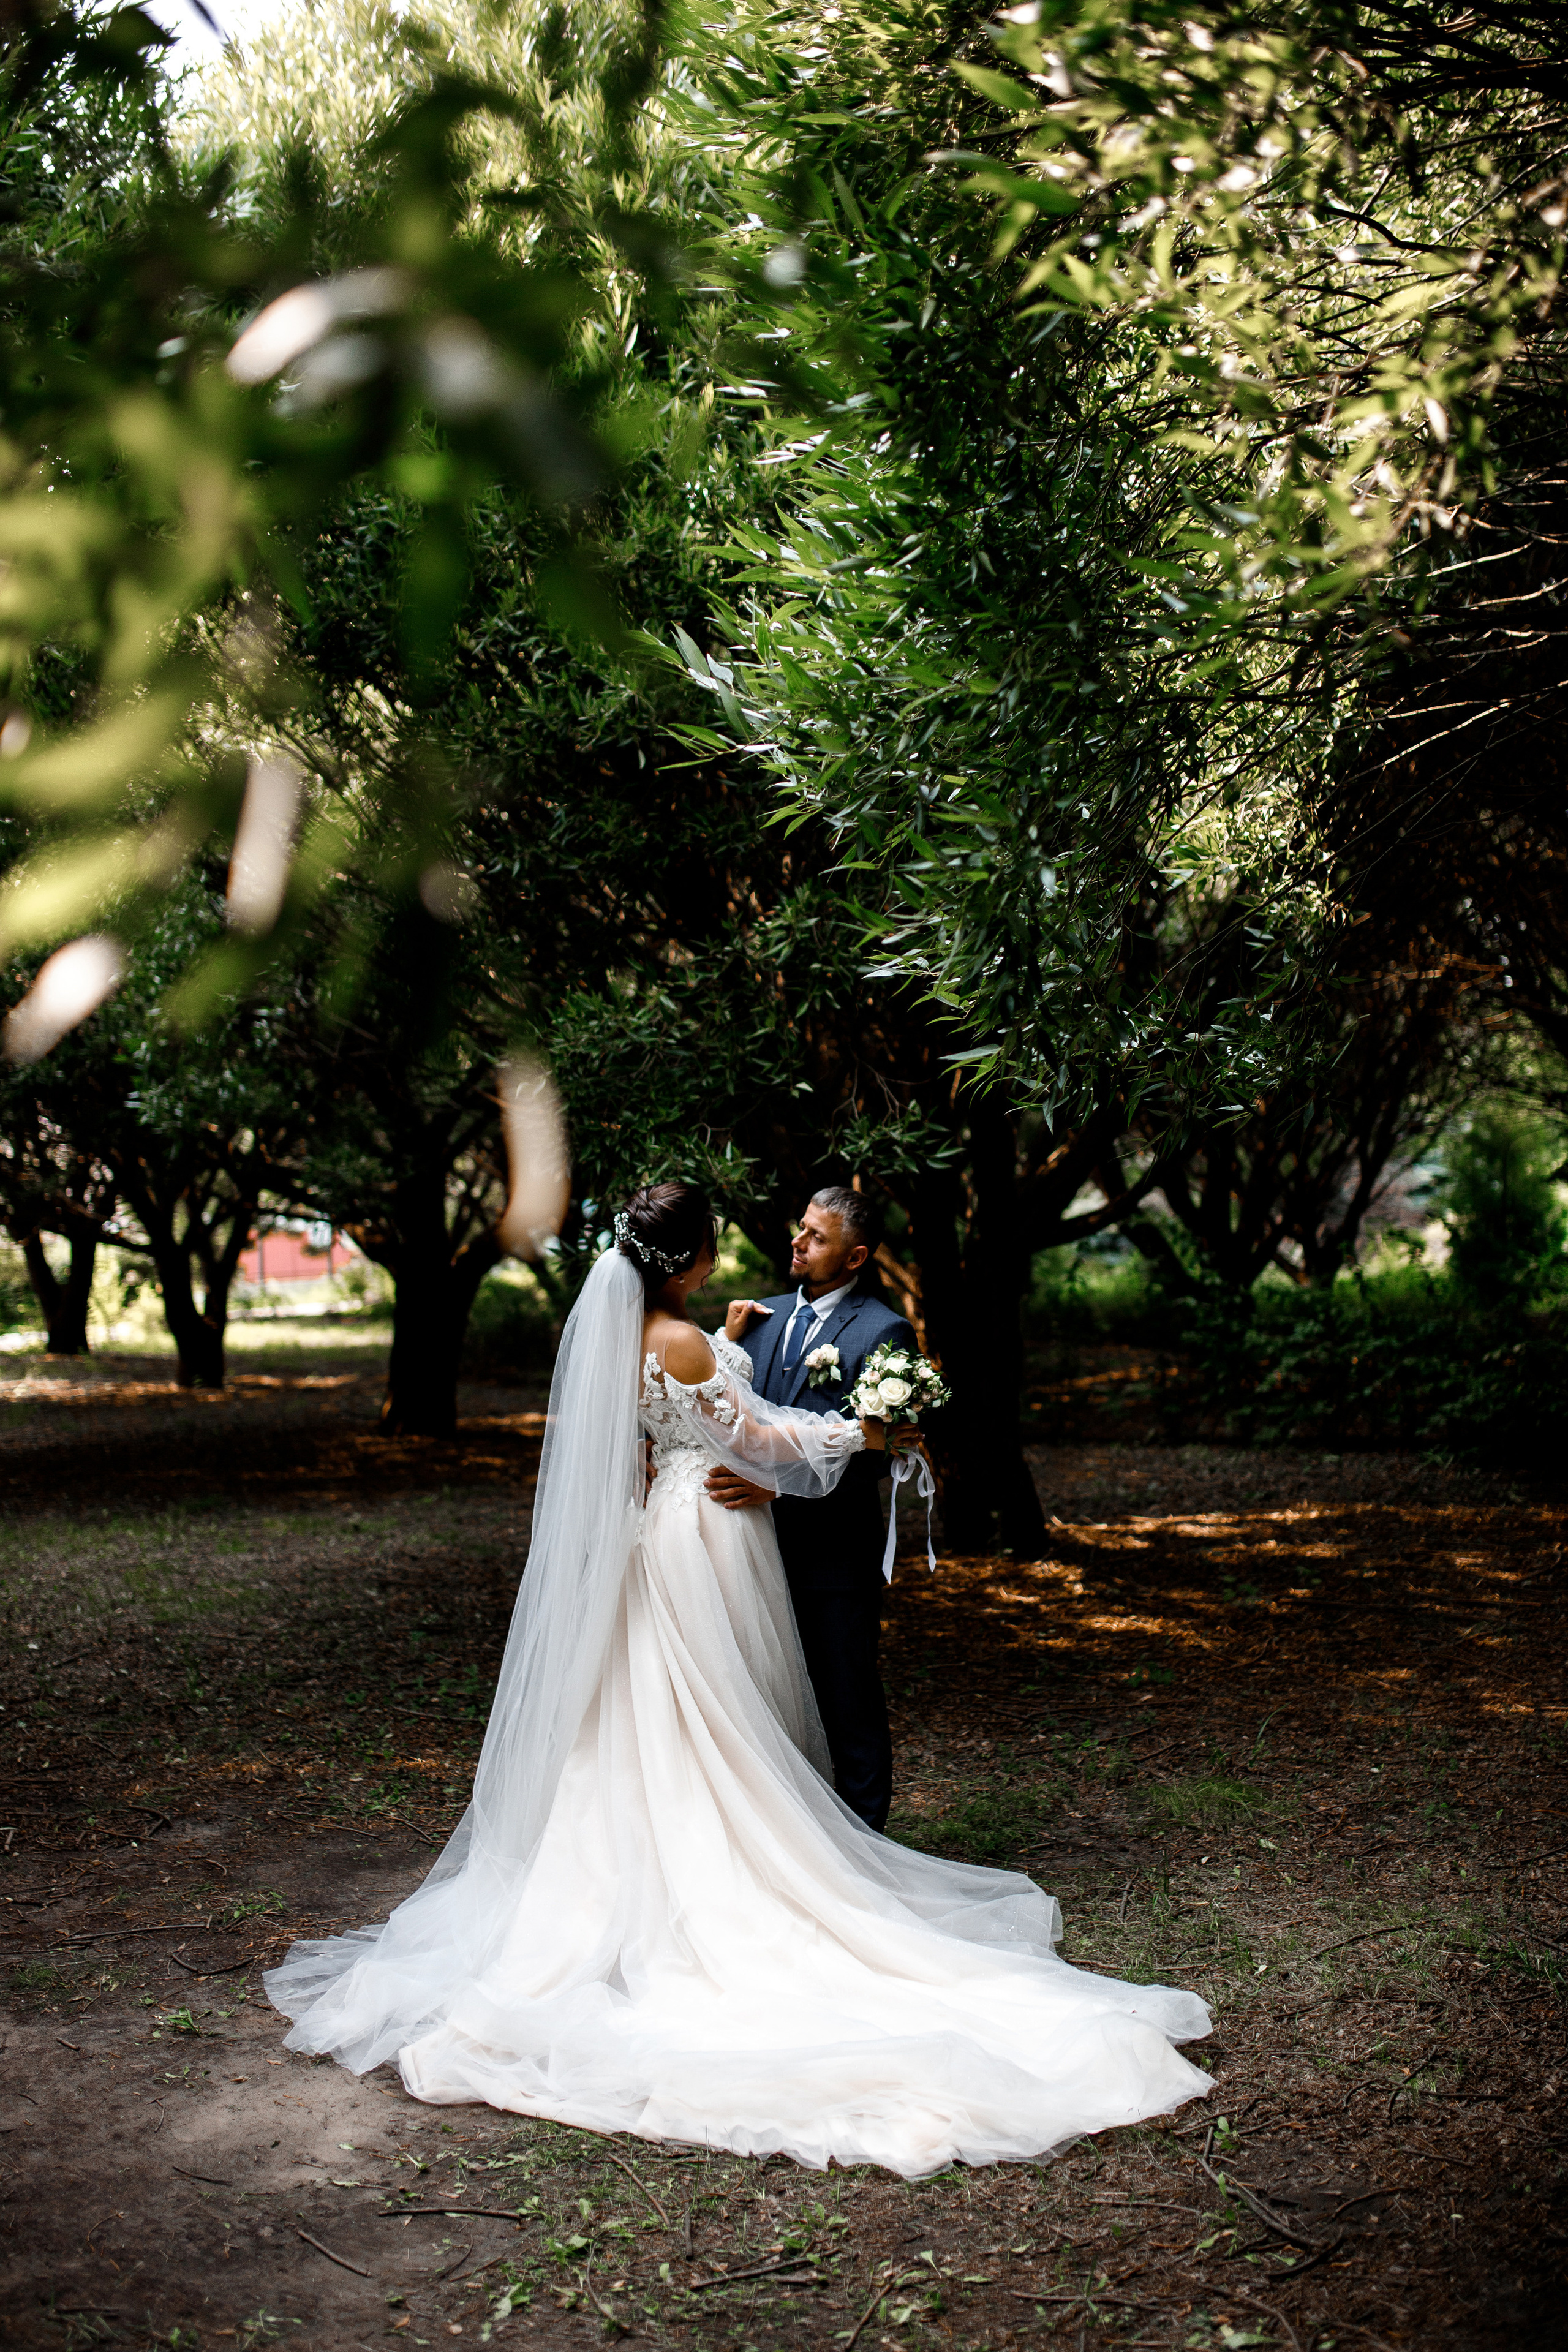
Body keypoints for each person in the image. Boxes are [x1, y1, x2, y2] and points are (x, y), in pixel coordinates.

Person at [265, 1181, 1211, 2176]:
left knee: (642, 1721)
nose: (739, 1252)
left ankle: (627, 1883)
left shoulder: (630, 1337)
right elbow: (754, 1441)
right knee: (717, 1713)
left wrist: (720, 1347)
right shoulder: (687, 1344)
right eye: (712, 1246)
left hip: (648, 1543)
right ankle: (742, 1872)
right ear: (682, 1263)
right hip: (704, 1537)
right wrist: (867, 1433)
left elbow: (649, 1436)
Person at [704, 1186, 911, 1831]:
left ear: (854, 1259)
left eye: (817, 1237)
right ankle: (787, 1836)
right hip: (750, 1549)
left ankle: (868, 1843)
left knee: (845, 1696)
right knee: (765, 1698)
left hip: (834, 1553)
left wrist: (781, 1484)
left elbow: (880, 1449)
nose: (798, 1243)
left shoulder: (884, 1330)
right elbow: (720, 1414)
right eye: (801, 1228)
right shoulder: (757, 1321)